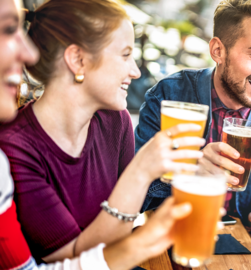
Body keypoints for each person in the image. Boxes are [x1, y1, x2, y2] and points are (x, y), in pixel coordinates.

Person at [0, 0, 205, 262]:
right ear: (78, 60)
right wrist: (139, 172)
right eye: (125, 54)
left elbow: (124, 228)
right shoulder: (14, 148)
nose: (136, 70)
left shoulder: (115, 121)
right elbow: (68, 259)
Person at [135, 0, 251, 238]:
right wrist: (187, 173)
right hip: (173, 239)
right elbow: (136, 197)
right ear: (218, 51)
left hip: (248, 251)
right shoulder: (169, 96)